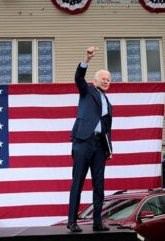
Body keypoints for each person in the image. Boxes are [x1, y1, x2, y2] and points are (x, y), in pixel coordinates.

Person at [67, 46, 112, 232]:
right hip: (83, 142)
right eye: (103, 78)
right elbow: (78, 78)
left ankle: (97, 222)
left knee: (99, 186)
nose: (106, 81)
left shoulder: (108, 103)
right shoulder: (87, 92)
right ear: (94, 81)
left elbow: (107, 129)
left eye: (109, 79)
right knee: (77, 182)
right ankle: (72, 221)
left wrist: (108, 149)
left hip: (99, 147)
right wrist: (87, 58)